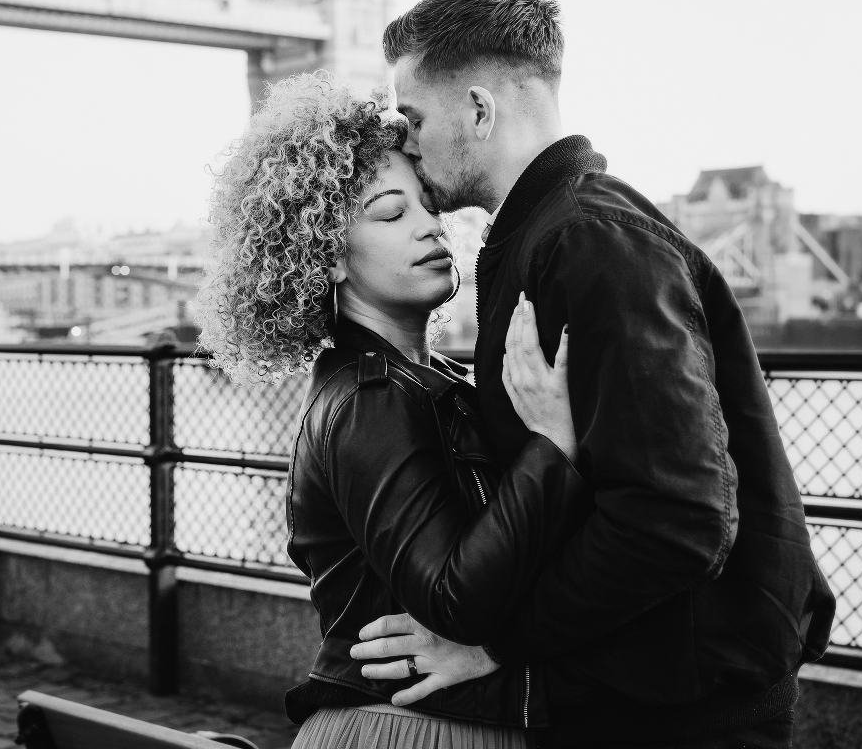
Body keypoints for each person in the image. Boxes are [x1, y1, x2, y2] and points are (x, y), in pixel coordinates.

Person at [351, 0, 837, 749]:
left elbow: (679, 518)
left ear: (478, 110)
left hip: (685, 713)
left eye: (413, 119)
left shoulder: (589, 243)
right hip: (638, 688)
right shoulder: (550, 237)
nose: (405, 141)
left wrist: (499, 643)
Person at [197, 71, 589, 749]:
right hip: (410, 730)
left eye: (427, 207)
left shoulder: (419, 384)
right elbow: (453, 597)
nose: (430, 227)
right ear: (326, 258)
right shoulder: (369, 398)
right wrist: (552, 447)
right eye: (389, 213)